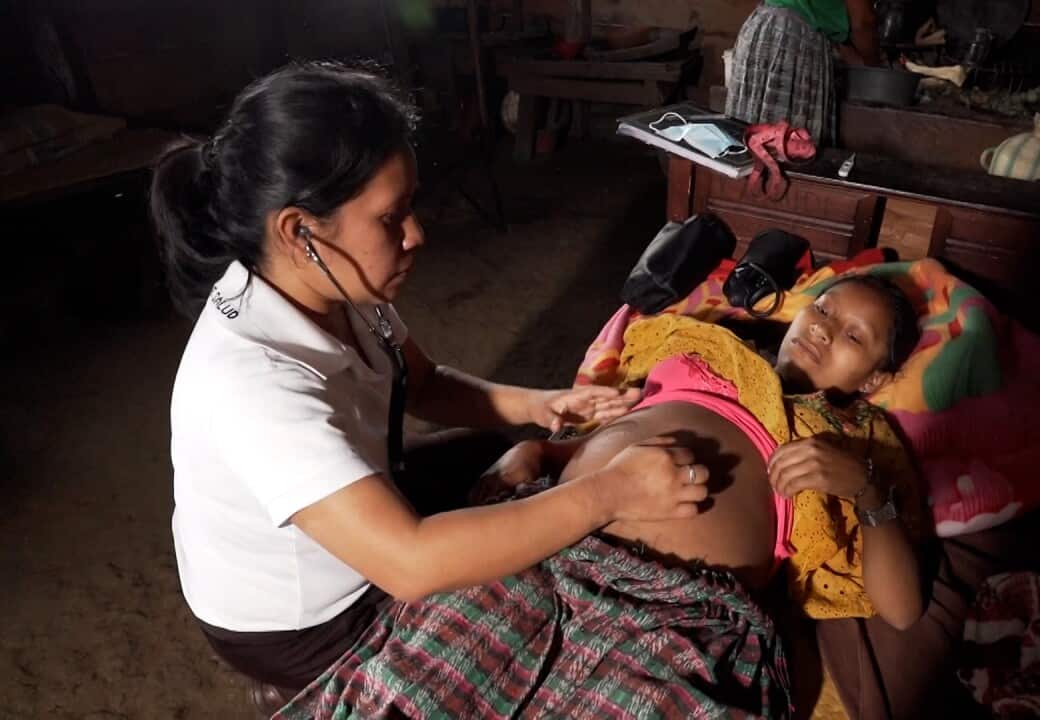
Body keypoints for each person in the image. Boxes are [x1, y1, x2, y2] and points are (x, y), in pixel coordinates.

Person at [152, 61, 713, 699]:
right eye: (391, 218)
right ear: (299, 231)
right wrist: (612, 493)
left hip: (373, 497)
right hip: (306, 623)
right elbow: (410, 563)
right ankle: (315, 692)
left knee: (514, 467)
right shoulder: (254, 382)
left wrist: (545, 404)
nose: (416, 235)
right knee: (544, 610)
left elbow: (422, 382)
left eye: (410, 207)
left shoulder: (332, 283)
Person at [477, 274, 928, 627]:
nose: (825, 331)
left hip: (674, 619)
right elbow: (616, 426)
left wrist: (867, 492)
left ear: (874, 380)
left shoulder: (856, 440)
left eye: (854, 336)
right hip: (544, 534)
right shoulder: (709, 351)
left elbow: (902, 611)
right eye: (824, 309)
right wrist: (538, 451)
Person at [726, 0, 881, 144]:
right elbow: (863, 22)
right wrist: (874, 65)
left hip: (760, 26)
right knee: (790, 147)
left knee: (748, 142)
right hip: (793, 40)